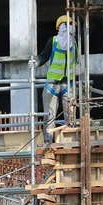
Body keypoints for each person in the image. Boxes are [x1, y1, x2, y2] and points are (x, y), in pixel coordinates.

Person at [30, 15, 77, 144]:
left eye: (70, 25)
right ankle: (48, 141)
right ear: (59, 28)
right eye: (65, 25)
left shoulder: (75, 44)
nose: (67, 28)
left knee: (70, 116)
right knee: (49, 116)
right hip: (52, 84)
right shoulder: (53, 41)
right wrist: (36, 62)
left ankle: (70, 141)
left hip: (68, 83)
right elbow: (44, 55)